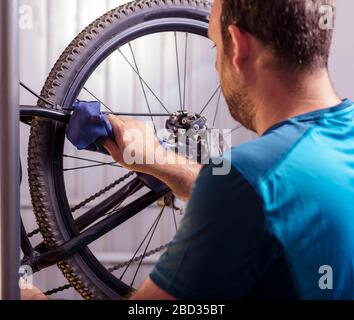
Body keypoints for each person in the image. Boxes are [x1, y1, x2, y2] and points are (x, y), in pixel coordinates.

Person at [23, 0, 354, 300]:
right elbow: (270, 205)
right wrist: (162, 162)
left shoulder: (248, 181)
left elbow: (251, 196)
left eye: (214, 45)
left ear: (237, 46)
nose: (215, 65)